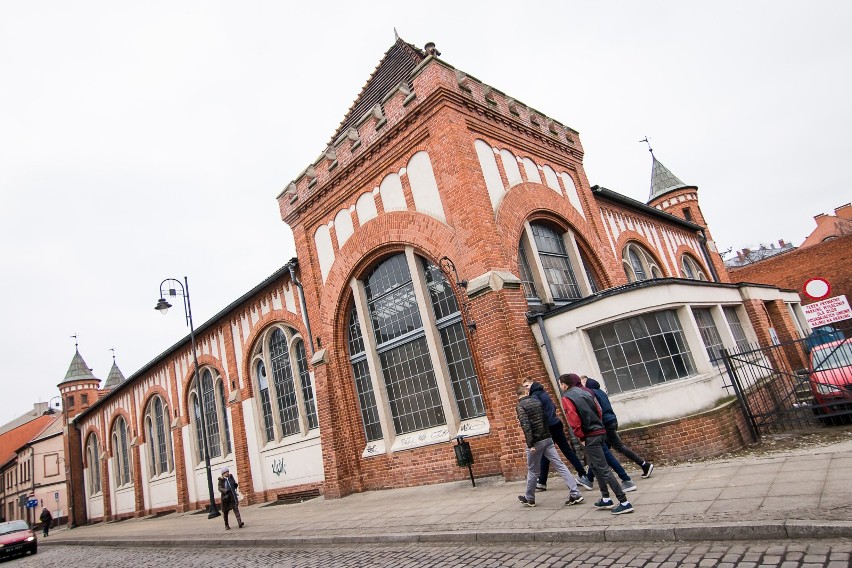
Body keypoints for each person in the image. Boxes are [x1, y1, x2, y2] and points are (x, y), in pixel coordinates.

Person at [559, 373, 634, 515]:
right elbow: (599, 410)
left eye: (560, 384)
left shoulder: (567, 397)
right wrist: (599, 425)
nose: (560, 386)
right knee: (596, 466)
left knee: (603, 469)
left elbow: (573, 418)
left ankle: (624, 501)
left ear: (565, 385)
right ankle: (605, 498)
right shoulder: (586, 392)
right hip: (600, 431)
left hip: (589, 435)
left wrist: (580, 435)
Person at [515, 382, 584, 508]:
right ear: (526, 393)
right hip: (547, 438)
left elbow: (526, 426)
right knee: (560, 465)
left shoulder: (520, 406)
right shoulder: (537, 402)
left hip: (536, 441)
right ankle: (575, 493)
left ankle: (529, 498)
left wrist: (530, 444)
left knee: (532, 470)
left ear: (518, 395)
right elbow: (545, 418)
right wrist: (548, 436)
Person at [522, 378, 593, 492]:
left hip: (548, 427)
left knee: (549, 453)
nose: (526, 388)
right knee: (562, 451)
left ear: (532, 384)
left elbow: (538, 413)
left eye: (527, 385)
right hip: (556, 423)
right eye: (524, 386)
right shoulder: (544, 393)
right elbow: (553, 407)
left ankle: (542, 482)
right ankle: (581, 473)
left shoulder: (534, 396)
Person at [582, 375, 654, 479]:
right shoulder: (601, 392)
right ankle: (589, 477)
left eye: (583, 383)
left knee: (617, 448)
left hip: (605, 424)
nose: (582, 386)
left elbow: (598, 410)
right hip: (612, 420)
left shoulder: (592, 394)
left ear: (587, 384)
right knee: (601, 451)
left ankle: (644, 465)